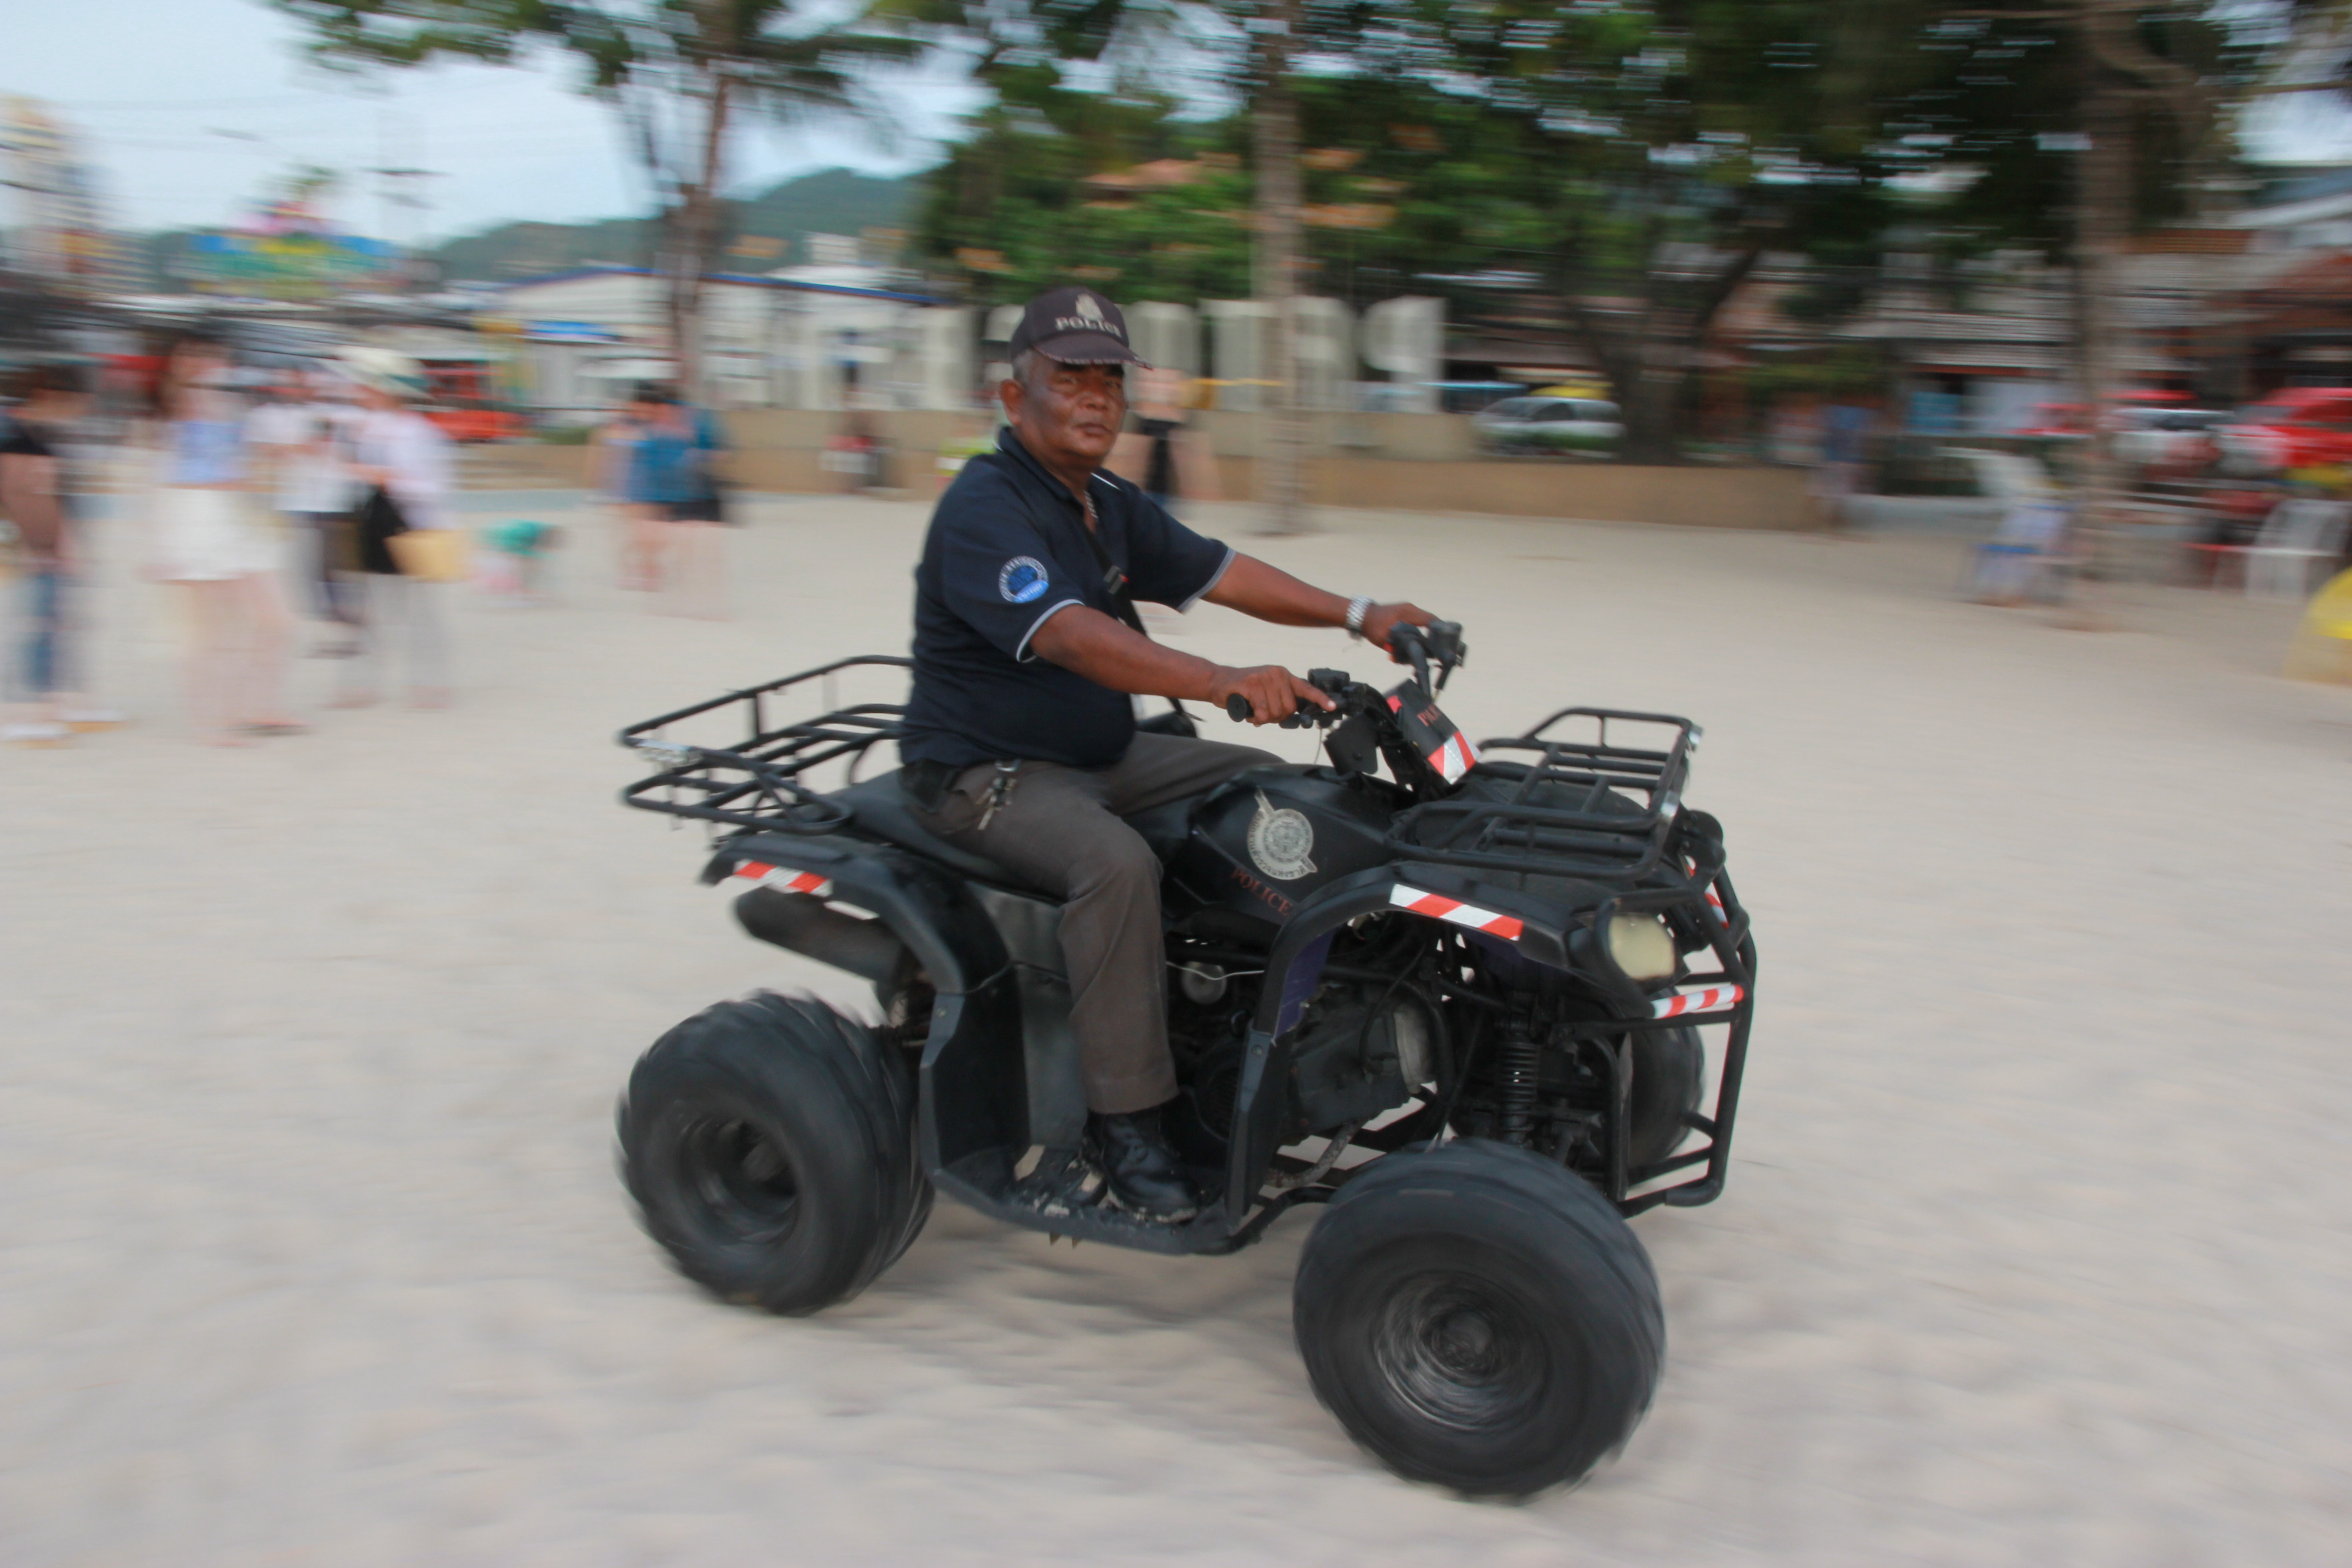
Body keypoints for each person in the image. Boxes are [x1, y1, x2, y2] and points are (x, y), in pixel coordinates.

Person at [899, 287, 1438, 1221]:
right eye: (1069, 375)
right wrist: (1223, 679)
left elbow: (1223, 570)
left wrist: (1361, 616)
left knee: (1278, 799)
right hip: (987, 774)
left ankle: (1247, 1014)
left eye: (1109, 376)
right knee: (1116, 866)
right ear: (1011, 394)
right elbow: (1070, 635)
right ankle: (1128, 1126)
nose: (1095, 395)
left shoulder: (1103, 500)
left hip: (1103, 751)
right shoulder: (987, 507)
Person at [147, 336, 303, 744]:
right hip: (200, 519)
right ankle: (210, 722)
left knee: (276, 621)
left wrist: (270, 457)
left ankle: (257, 707)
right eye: (196, 356)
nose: (206, 363)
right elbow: (159, 478)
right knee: (212, 631)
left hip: (241, 517)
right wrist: (162, 546)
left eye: (211, 354)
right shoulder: (171, 411)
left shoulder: (230, 404)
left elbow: (246, 458)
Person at [1, 366, 120, 745]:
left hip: (46, 545)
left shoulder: (39, 434)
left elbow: (48, 495)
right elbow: (18, 494)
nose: (78, 413)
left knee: (57, 621)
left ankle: (58, 702)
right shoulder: (17, 434)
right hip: (35, 546)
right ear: (49, 395)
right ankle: (28, 711)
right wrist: (45, 547)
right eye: (75, 404)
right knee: (39, 624)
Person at [335, 347, 456, 709]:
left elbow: (433, 486)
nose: (359, 390)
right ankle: (362, 684)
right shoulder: (363, 428)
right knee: (367, 608)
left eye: (367, 383)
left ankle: (430, 683)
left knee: (420, 611)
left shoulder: (417, 432)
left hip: (413, 527)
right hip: (372, 525)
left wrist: (383, 476)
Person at [245, 368, 360, 653]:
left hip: (332, 498)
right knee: (306, 568)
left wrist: (296, 449)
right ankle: (329, 625)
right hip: (293, 499)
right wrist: (298, 449)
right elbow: (262, 450)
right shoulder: (267, 415)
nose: (298, 389)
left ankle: (342, 624)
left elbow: (337, 447)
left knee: (330, 565)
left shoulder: (330, 414)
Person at [1112, 364, 1222, 514]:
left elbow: (1193, 456)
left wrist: (1197, 487)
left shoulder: (1182, 418)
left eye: (1170, 384)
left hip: (1171, 494)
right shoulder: (1143, 417)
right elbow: (1133, 456)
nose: (1164, 389)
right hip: (1151, 492)